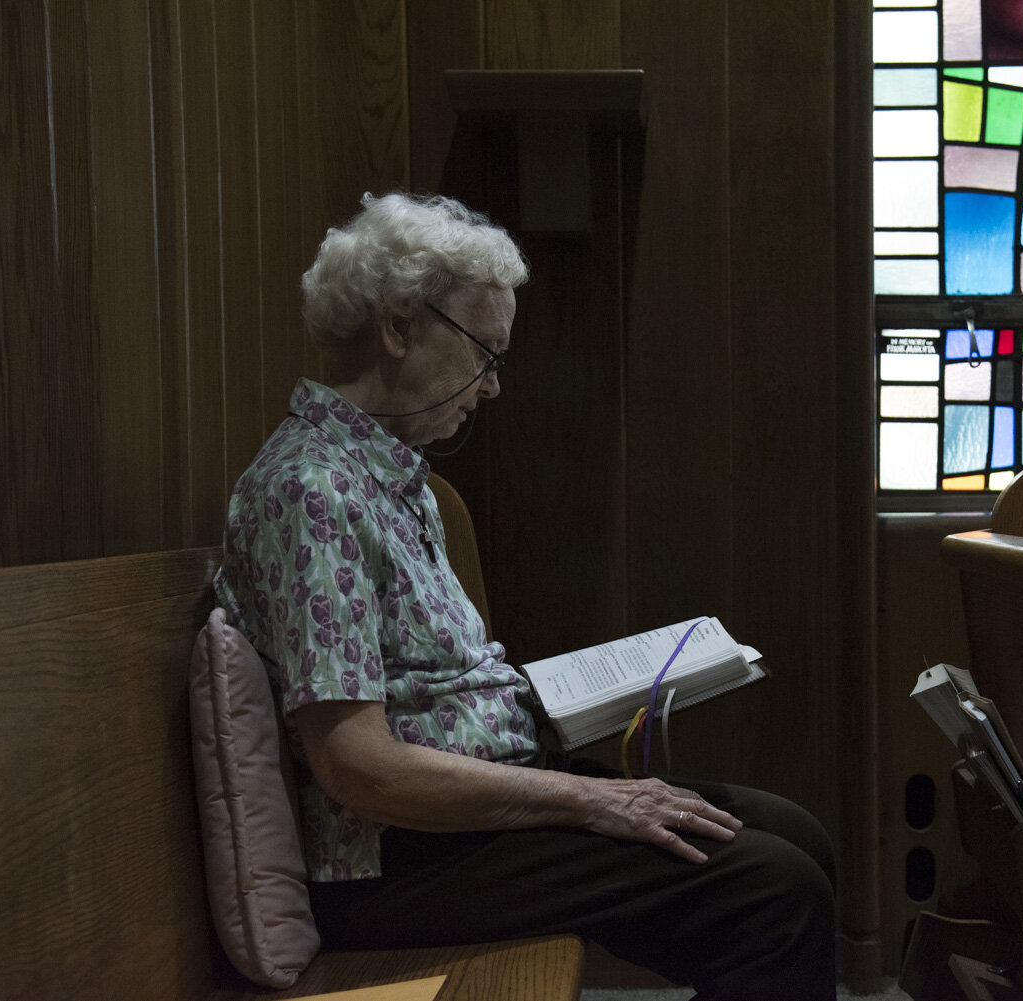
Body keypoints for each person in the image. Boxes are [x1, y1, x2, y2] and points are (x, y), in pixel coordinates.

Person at [213, 191, 837, 999]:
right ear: (400, 324)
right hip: (396, 857)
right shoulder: (312, 491)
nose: (492, 386)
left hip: (468, 813)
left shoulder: (391, 477)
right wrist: (588, 800)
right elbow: (356, 764)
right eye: (485, 351)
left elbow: (426, 685)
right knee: (774, 893)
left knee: (793, 835)